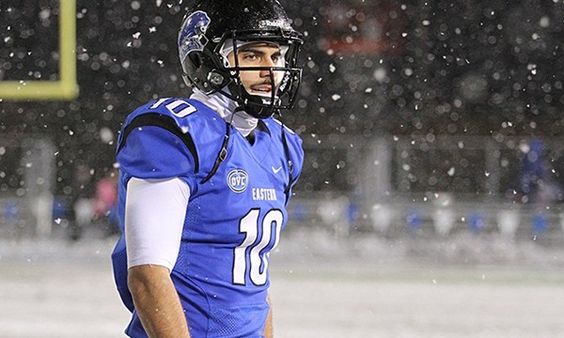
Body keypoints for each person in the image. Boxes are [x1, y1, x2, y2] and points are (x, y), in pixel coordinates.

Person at [111, 1, 305, 337]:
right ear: (206, 61)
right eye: (252, 55)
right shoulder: (174, 133)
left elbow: (254, 287)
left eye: (275, 56)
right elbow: (146, 274)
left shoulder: (281, 145)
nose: (269, 70)